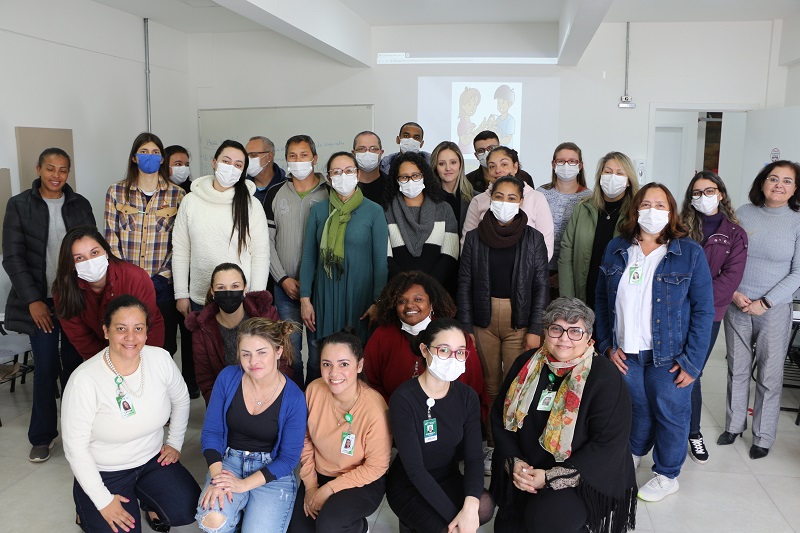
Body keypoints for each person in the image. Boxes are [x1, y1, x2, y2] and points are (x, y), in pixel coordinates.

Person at [595, 183, 713, 502]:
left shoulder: (689, 252)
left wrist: (692, 363)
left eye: (661, 205)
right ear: (635, 210)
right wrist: (606, 344)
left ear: (671, 212)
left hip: (671, 355)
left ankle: (667, 474)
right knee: (637, 408)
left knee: (671, 413)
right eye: (646, 204)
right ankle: (634, 453)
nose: (652, 211)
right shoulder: (618, 247)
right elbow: (602, 299)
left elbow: (704, 310)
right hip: (626, 353)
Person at [491, 297, 637, 533]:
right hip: (528, 468)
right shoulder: (525, 364)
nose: (564, 338)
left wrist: (550, 477)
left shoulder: (605, 377)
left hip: (581, 476)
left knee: (545, 521)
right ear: (545, 331)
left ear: (589, 337)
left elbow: (607, 444)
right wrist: (515, 463)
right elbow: (500, 418)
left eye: (575, 331)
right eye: (556, 329)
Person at [62, 295, 200, 533]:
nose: (130, 337)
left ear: (146, 332)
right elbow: (75, 448)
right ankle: (86, 508)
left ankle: (148, 502)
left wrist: (175, 442)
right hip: (106, 470)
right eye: (121, 328)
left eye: (138, 328)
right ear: (106, 331)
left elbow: (181, 399)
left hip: (152, 459)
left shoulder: (160, 359)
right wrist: (104, 502)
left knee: (188, 508)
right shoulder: (84, 380)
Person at [2, 147, 95, 462]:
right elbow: (13, 258)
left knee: (76, 367)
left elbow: (92, 249)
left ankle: (77, 433)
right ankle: (42, 436)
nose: (57, 175)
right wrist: (33, 300)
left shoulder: (80, 204)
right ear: (39, 169)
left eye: (63, 169)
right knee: (46, 367)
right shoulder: (19, 205)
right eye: (51, 168)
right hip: (40, 302)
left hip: (73, 299)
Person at [458, 175, 550, 473]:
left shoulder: (533, 238)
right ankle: (491, 444)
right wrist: (466, 327)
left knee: (516, 384)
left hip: (519, 320)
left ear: (521, 201)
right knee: (490, 385)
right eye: (499, 196)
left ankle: (514, 444)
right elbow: (464, 283)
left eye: (512, 198)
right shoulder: (474, 237)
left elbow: (541, 286)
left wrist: (535, 329)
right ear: (490, 198)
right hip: (483, 318)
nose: (505, 203)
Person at [718, 160, 800, 459]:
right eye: (773, 178)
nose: (779, 185)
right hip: (737, 303)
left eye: (787, 181)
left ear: (795, 188)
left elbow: (798, 273)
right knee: (737, 369)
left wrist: (765, 302)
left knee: (769, 375)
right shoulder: (742, 213)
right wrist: (734, 293)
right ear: (762, 182)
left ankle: (763, 436)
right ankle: (734, 425)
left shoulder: (797, 221)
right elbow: (726, 258)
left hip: (773, 309)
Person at [104, 133, 195, 397]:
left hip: (162, 285)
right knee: (128, 344)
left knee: (162, 347)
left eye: (155, 152)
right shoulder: (116, 192)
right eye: (144, 152)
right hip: (126, 286)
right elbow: (111, 240)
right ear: (134, 158)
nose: (150, 157)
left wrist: (160, 279)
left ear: (162, 159)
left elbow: (180, 244)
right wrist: (130, 279)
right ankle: (131, 396)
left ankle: (159, 400)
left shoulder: (178, 195)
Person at [196, 317, 306, 533]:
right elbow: (212, 432)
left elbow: (288, 459)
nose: (253, 361)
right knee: (213, 521)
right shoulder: (228, 377)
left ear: (278, 351)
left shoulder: (294, 398)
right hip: (229, 462)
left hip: (271, 471)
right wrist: (218, 478)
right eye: (246, 354)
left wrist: (243, 485)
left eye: (261, 352)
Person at [387, 318, 495, 533]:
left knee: (483, 506)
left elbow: (474, 457)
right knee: (445, 527)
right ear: (424, 350)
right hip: (409, 483)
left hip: (447, 475)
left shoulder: (467, 397)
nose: (453, 358)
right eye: (444, 350)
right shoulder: (404, 398)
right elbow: (415, 470)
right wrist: (456, 523)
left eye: (460, 352)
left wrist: (469, 507)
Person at [288, 332, 391, 533]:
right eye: (327, 364)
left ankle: (359, 528)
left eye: (344, 364)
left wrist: (329, 489)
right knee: (298, 529)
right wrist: (311, 486)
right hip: (321, 474)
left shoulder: (375, 408)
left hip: (361, 481)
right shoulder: (314, 390)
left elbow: (376, 466)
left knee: (329, 525)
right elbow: (304, 440)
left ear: (359, 365)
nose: (334, 373)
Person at [679, 171, 748, 463]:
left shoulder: (735, 234)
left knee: (692, 372)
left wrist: (694, 297)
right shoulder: (679, 228)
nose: (703, 197)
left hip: (708, 315)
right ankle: (667, 430)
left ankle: (693, 433)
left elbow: (730, 280)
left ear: (720, 194)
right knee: (668, 369)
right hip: (674, 310)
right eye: (697, 192)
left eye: (709, 191)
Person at [299, 152, 388, 370]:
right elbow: (309, 257)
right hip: (326, 296)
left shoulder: (374, 211)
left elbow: (380, 262)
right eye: (337, 172)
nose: (343, 176)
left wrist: (377, 302)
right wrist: (305, 300)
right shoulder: (318, 211)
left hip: (361, 298)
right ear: (329, 178)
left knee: (357, 362)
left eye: (349, 171)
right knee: (320, 361)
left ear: (358, 174)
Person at [363, 271, 488, 418]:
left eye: (418, 299)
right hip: (395, 416)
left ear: (432, 303)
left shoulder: (455, 335)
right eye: (401, 301)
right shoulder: (382, 335)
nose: (409, 305)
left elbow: (473, 384)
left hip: (450, 416)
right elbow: (370, 383)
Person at [172, 139, 269, 316]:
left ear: (243, 171)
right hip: (200, 298)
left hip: (240, 299)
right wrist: (181, 294)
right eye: (226, 161)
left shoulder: (251, 205)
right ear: (214, 162)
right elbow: (181, 251)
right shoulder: (190, 201)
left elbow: (260, 255)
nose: (231, 168)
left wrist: (255, 298)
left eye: (238, 165)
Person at [265, 134, 329, 388]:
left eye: (304, 155)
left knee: (317, 351)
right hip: (285, 287)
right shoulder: (275, 193)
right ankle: (294, 400)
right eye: (292, 156)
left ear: (314, 158)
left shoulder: (329, 192)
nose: (298, 161)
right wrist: (282, 278)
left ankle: (313, 399)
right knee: (290, 353)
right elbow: (267, 242)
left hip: (319, 289)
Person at [53, 226, 165, 359]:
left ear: (106, 252)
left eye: (94, 253)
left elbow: (148, 325)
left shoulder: (135, 277)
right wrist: (107, 364)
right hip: (99, 354)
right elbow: (81, 337)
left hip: (144, 345)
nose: (90, 262)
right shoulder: (63, 290)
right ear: (71, 264)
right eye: (79, 258)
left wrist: (140, 361)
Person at [185, 262, 284, 404]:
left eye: (235, 286)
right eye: (221, 288)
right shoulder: (202, 329)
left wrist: (272, 401)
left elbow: (284, 361)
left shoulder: (266, 314)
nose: (228, 292)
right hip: (227, 399)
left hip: (270, 396)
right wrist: (223, 408)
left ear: (245, 288)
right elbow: (206, 379)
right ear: (212, 292)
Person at [559, 151, 640, 309]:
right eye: (608, 172)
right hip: (583, 294)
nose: (612, 177)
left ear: (629, 181)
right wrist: (568, 300)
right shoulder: (582, 208)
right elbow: (566, 252)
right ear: (600, 176)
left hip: (620, 299)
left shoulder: (636, 213)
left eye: (619, 173)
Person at [385, 152, 459, 295]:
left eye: (416, 175)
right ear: (396, 180)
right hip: (399, 293)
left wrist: (427, 288)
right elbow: (386, 258)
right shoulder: (386, 211)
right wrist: (407, 288)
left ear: (424, 176)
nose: (410, 181)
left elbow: (450, 254)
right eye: (404, 177)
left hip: (437, 292)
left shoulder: (444, 209)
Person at [461, 146, 554, 260]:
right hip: (484, 267)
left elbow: (546, 245)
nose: (498, 170)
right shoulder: (478, 200)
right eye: (492, 166)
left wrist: (529, 268)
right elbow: (466, 243)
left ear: (515, 167)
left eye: (504, 164)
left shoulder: (536, 198)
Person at [163, 144, 199, 395]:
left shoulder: (194, 194)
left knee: (190, 335)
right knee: (166, 339)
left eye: (186, 164)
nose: (183, 168)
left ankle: (191, 385)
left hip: (189, 276)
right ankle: (168, 387)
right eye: (177, 164)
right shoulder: (161, 195)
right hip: (164, 278)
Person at [537, 142, 593, 298]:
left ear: (580, 166)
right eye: (561, 161)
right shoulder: (540, 193)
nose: (566, 165)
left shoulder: (589, 198)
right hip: (539, 268)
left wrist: (562, 274)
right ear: (553, 164)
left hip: (572, 271)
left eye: (572, 161)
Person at [465, 131, 534, 195]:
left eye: (491, 148)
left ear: (499, 148)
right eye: (481, 150)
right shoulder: (467, 181)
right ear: (476, 155)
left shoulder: (524, 177)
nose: (487, 153)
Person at [430, 141, 474, 237]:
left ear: (460, 164)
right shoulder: (428, 199)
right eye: (441, 164)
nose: (448, 168)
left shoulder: (475, 198)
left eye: (453, 162)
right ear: (435, 167)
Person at [246, 135, 287, 206]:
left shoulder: (286, 187)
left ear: (269, 156)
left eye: (253, 155)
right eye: (246, 155)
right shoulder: (241, 187)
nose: (248, 160)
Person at [352, 131, 388, 207]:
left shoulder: (391, 185)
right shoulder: (347, 185)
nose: (367, 153)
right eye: (361, 149)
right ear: (354, 153)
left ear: (381, 153)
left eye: (373, 149)